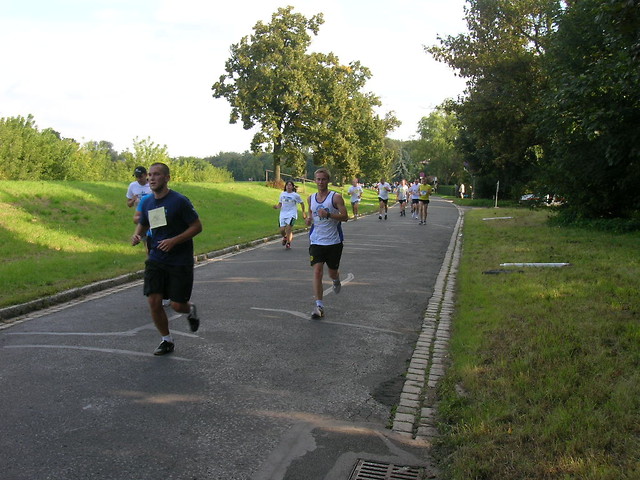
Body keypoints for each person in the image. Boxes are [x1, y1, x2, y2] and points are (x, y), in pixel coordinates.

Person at [131, 162, 203, 355]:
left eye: (156, 174)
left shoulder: (179, 201)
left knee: (177, 305)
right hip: (156, 258)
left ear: (167, 178)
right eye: (150, 175)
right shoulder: (147, 202)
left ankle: (190, 309)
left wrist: (174, 241)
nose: (151, 178)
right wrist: (137, 235)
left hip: (180, 260)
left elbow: (197, 226)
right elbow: (144, 224)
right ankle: (166, 340)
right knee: (154, 301)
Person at [305, 168, 349, 319]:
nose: (320, 182)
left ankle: (336, 280)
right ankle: (319, 306)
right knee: (317, 271)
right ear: (314, 180)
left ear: (328, 181)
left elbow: (345, 217)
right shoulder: (311, 198)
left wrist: (329, 214)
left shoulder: (335, 197)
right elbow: (311, 214)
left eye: (323, 179)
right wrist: (308, 219)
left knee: (332, 272)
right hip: (316, 240)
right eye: (318, 179)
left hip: (334, 241)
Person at [273, 180, 306, 249]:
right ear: (285, 186)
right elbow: (280, 204)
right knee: (282, 230)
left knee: (288, 228)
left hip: (292, 214)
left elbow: (302, 203)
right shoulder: (282, 194)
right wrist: (276, 207)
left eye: (290, 185)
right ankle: (285, 237)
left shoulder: (295, 195)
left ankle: (288, 242)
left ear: (292, 187)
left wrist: (303, 213)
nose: (288, 186)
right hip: (283, 214)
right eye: (287, 185)